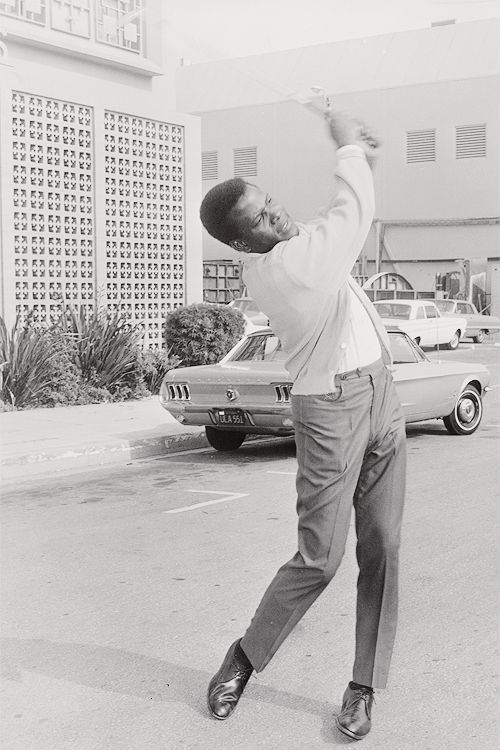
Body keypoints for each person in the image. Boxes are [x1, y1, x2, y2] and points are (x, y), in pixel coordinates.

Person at [199, 111, 406, 741]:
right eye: (260, 219)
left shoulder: (300, 245)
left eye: (271, 203)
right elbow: (350, 214)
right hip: (332, 409)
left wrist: (363, 155)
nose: (277, 216)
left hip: (381, 392)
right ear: (243, 246)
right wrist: (347, 147)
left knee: (384, 547)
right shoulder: (282, 269)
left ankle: (363, 686)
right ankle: (244, 658)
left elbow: (337, 215)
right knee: (320, 558)